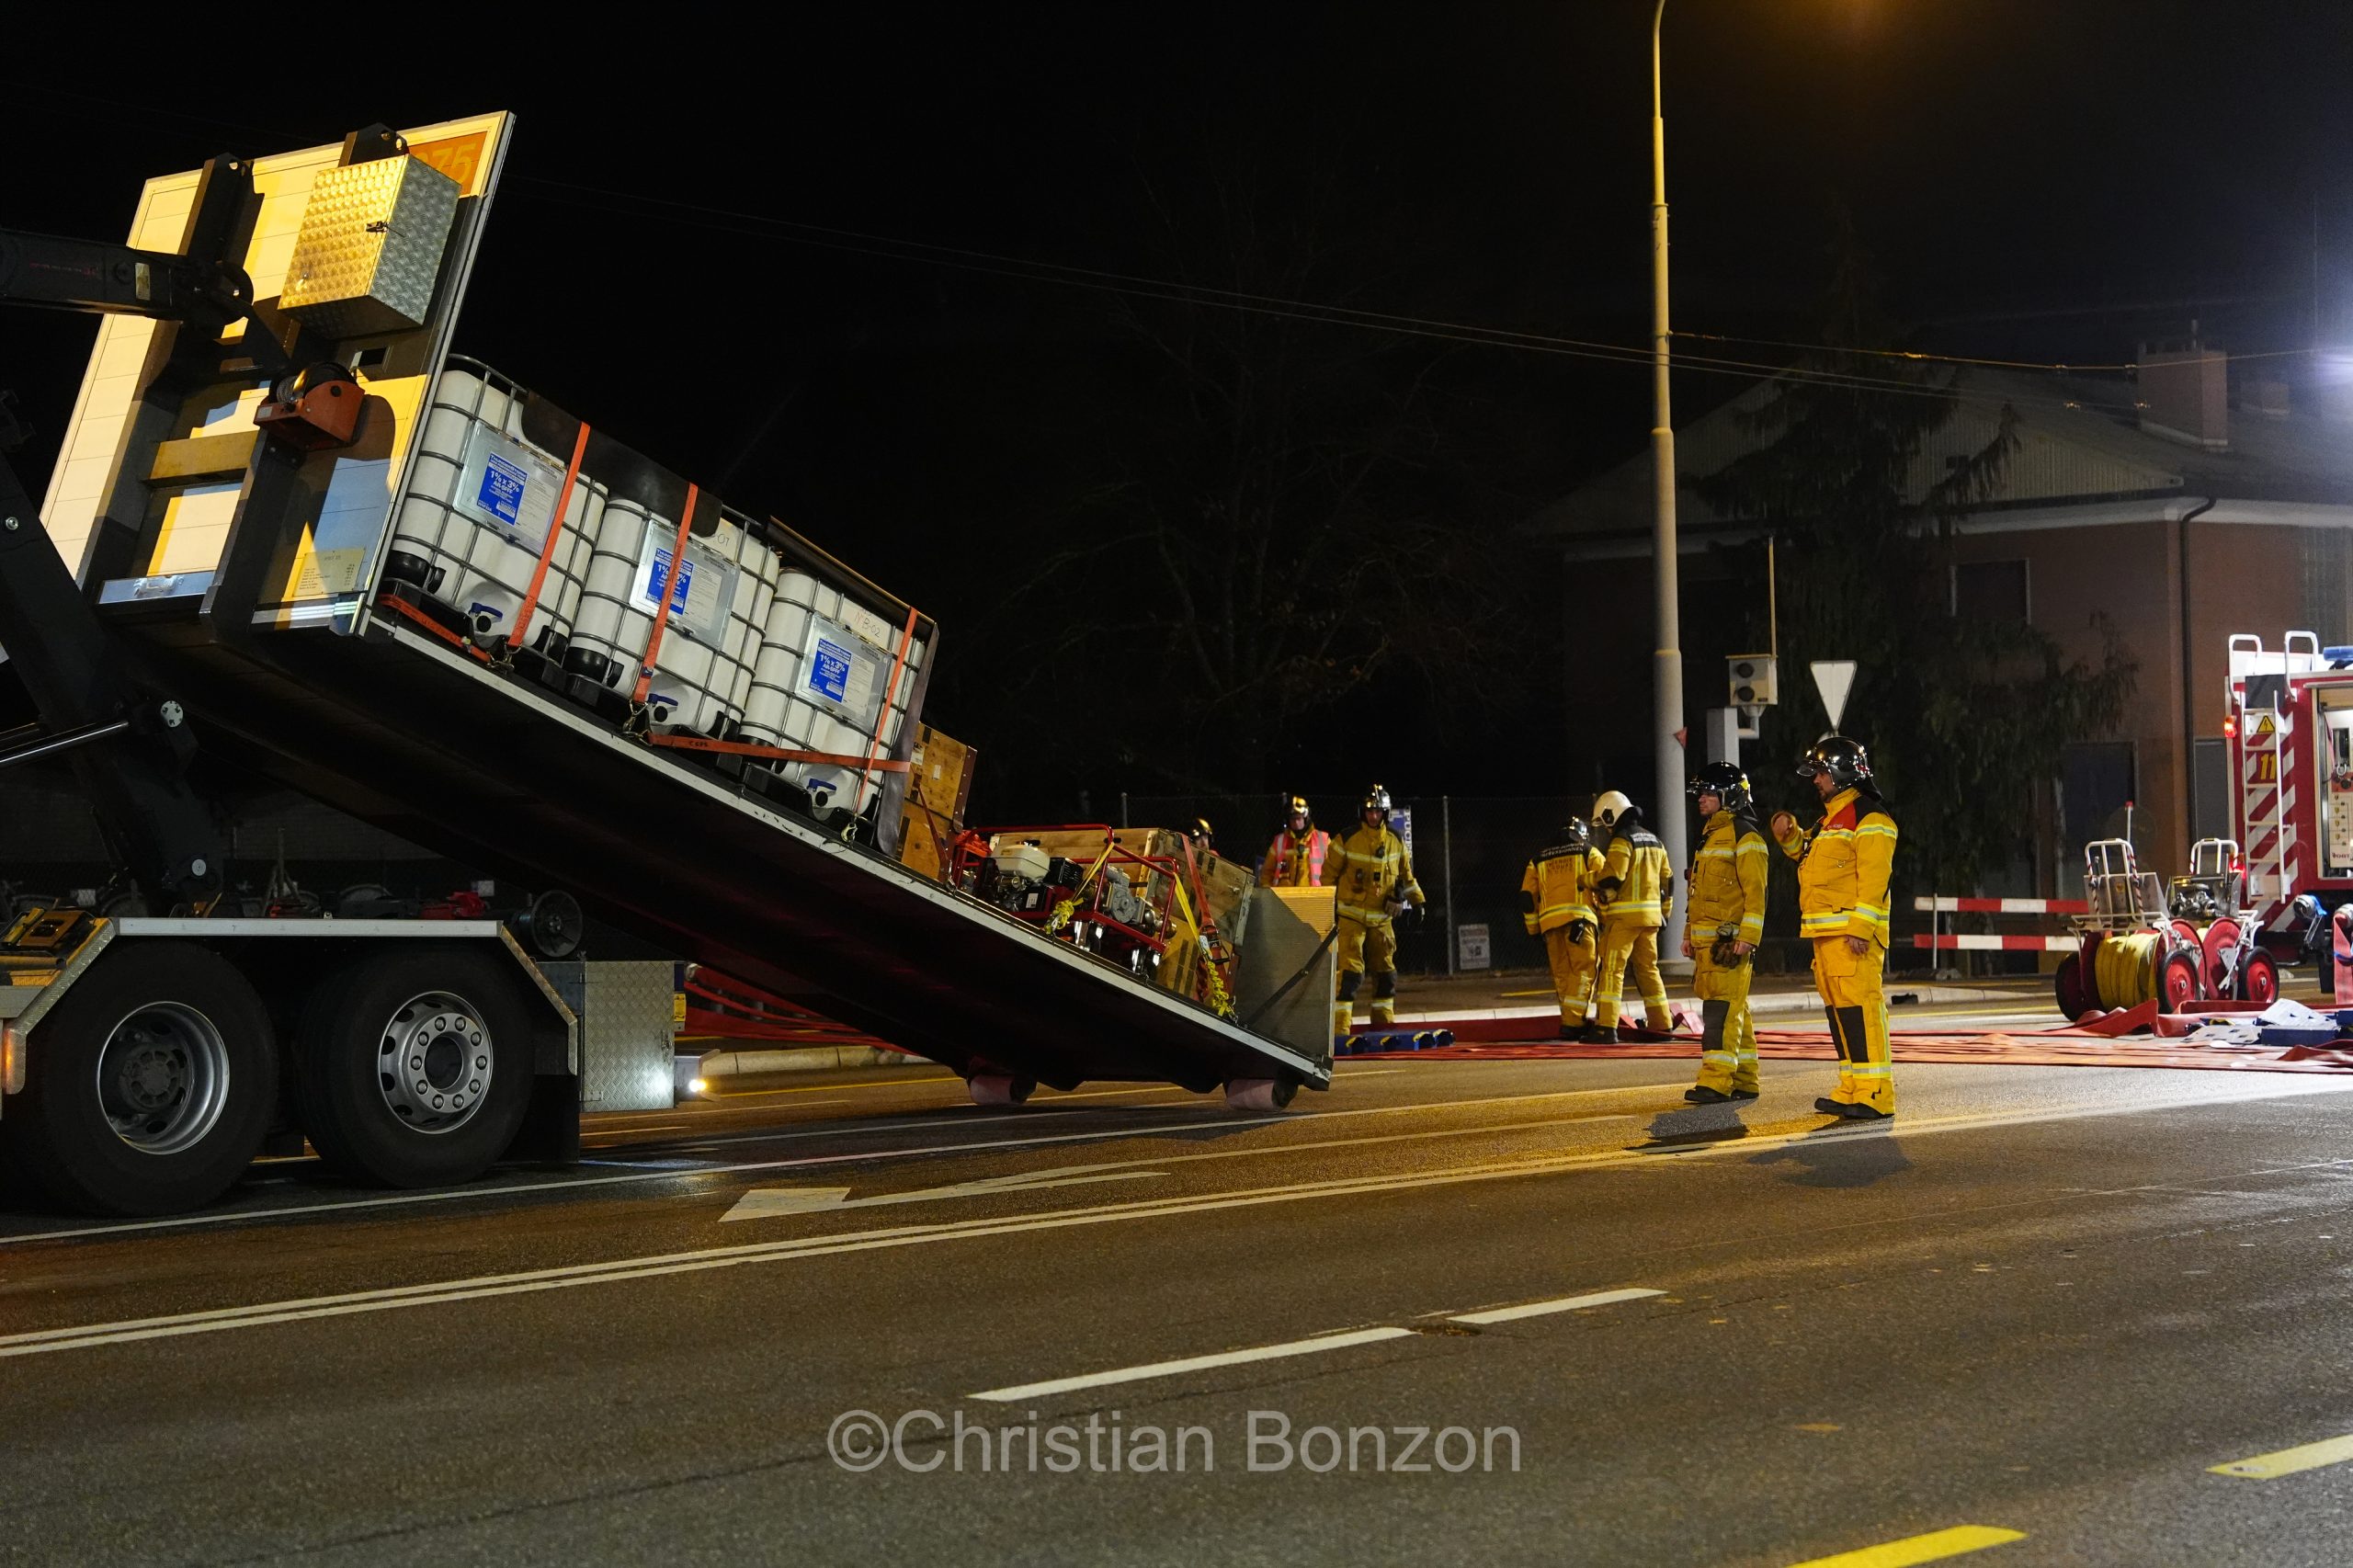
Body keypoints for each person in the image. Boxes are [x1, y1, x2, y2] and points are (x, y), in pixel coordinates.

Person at [1771, 736, 1899, 1119]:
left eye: (1822, 772)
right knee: (1841, 1015)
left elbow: (1874, 879)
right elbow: (1807, 857)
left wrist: (1861, 928)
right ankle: (1852, 1087)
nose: (1817, 780)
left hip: (1851, 937)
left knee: (1862, 1011)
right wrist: (1789, 835)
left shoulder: (1870, 818)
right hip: (1828, 937)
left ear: (1843, 772)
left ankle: (1875, 1092)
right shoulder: (1830, 821)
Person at [1681, 762, 1769, 1104]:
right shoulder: (1711, 836)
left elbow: (1756, 893)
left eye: (1708, 793)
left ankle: (1715, 1081)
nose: (1700, 799)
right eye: (1700, 793)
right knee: (1735, 1010)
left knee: (1720, 1012)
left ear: (1728, 796)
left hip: (1729, 944)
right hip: (1709, 945)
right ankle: (1746, 1080)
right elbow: (1697, 893)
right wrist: (1689, 933)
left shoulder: (1745, 836)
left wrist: (1747, 937)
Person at [1328, 784, 1424, 1039]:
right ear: (1362, 812)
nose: (1373, 816)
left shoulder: (1395, 840)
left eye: (1378, 812)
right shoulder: (1346, 839)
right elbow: (1327, 877)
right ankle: (1340, 1031)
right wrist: (1324, 908)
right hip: (1351, 918)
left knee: (1386, 974)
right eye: (1369, 811)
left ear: (1386, 813)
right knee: (1350, 975)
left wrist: (1417, 902)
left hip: (1382, 921)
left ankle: (1383, 1026)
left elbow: (1406, 876)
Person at [1586, 790, 1674, 1043]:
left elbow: (1613, 876)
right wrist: (1665, 913)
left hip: (1624, 920)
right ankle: (1662, 1025)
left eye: (1604, 823)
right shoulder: (1655, 840)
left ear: (1611, 815)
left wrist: (1587, 880)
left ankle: (1605, 1028)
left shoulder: (1622, 841)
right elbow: (1668, 880)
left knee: (1613, 971)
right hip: (1652, 919)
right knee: (1648, 970)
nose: (1605, 829)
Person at [1520, 816, 1602, 1039]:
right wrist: (1606, 915)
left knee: (1562, 974)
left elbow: (1527, 897)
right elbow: (1606, 879)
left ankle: (1569, 1020)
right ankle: (1574, 1023)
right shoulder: (1588, 852)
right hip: (1580, 920)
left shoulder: (1537, 860)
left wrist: (1533, 929)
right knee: (1584, 971)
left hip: (1549, 925)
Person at [1260, 794, 1331, 887]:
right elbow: (1267, 872)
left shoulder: (1323, 839)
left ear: (1306, 818)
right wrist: (1268, 895)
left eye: (1299, 818)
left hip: (1314, 896)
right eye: (1292, 819)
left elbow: (1332, 871)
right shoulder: (1280, 841)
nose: (1296, 822)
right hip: (1284, 897)